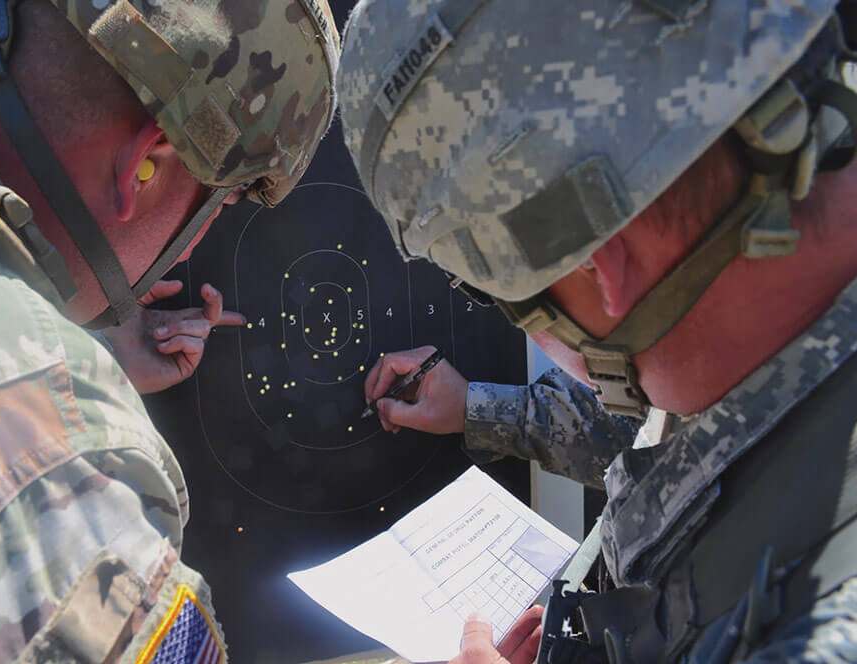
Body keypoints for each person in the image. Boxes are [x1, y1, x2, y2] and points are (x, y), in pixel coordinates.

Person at [339, 0, 857, 661]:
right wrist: (478, 408)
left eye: (507, 298)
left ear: (598, 262)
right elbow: (654, 417)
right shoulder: (749, 320)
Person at [0, 0, 338, 660]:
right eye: (217, 205)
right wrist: (50, 379)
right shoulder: (46, 444)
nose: (192, 247)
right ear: (144, 164)